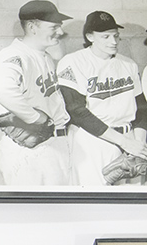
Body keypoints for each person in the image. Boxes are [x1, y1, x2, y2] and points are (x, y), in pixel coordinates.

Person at [0, 0, 72, 185]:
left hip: (52, 145)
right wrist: (34, 118)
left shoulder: (42, 55)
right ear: (32, 27)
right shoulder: (15, 54)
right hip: (30, 151)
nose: (60, 32)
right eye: (54, 27)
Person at [56, 11, 147, 185]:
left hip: (129, 139)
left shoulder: (128, 63)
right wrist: (124, 142)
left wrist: (138, 143)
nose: (113, 42)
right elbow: (77, 111)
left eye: (116, 36)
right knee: (94, 196)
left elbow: (142, 107)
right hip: (93, 140)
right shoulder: (73, 62)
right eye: (105, 37)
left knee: (130, 201)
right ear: (90, 36)